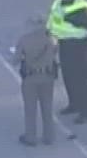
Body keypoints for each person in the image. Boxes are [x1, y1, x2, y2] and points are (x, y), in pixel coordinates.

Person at [47, 0, 87, 124]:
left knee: (82, 79)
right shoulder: (57, 3)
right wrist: (50, 36)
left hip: (80, 46)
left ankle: (85, 112)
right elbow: (52, 21)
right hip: (64, 44)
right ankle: (73, 104)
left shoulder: (83, 6)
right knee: (69, 76)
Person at [13, 16, 60, 147]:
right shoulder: (52, 39)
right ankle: (49, 136)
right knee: (47, 107)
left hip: (30, 77)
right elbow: (55, 53)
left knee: (30, 108)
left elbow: (16, 60)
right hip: (47, 76)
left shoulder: (24, 40)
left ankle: (31, 136)